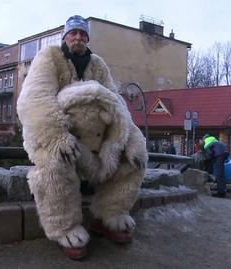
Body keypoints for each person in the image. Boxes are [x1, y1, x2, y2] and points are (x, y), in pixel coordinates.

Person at [16, 15, 146, 260]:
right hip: (59, 137)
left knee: (133, 160)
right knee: (54, 165)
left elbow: (115, 102)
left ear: (87, 38)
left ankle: (110, 215)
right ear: (65, 36)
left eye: (82, 34)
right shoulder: (49, 57)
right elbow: (34, 98)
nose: (78, 37)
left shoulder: (97, 64)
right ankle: (64, 227)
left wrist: (132, 140)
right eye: (73, 33)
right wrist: (56, 136)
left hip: (95, 142)